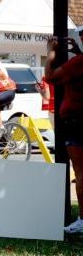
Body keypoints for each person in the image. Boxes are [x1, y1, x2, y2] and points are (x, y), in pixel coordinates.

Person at [45, 30, 83, 234]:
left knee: (81, 172)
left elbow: (50, 77)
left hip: (77, 121)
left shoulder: (79, 63)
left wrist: (50, 53)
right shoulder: (79, 61)